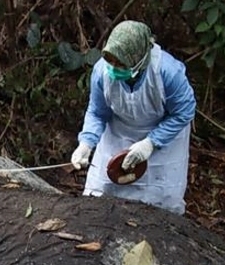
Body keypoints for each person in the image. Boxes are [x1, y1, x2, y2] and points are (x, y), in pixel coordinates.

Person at [71, 20, 196, 215]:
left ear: (139, 59)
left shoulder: (167, 73)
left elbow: (184, 112)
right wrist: (86, 143)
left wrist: (151, 143)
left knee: (161, 200)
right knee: (101, 193)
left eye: (120, 63)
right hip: (118, 134)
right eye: (110, 60)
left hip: (163, 139)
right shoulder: (101, 72)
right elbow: (97, 112)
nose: (113, 67)